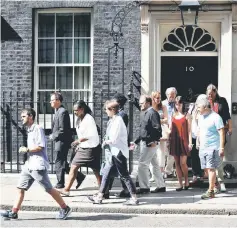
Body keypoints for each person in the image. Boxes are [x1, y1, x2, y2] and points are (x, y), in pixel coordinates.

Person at [1, 108, 71, 220]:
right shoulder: (29, 130)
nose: (21, 118)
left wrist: (27, 149)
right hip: (29, 165)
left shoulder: (37, 128)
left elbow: (40, 146)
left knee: (48, 189)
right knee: (20, 188)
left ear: (30, 117)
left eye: (23, 116)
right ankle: (14, 212)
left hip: (38, 165)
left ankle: (65, 208)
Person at [88, 100, 138, 205]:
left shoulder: (118, 121)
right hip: (114, 152)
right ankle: (100, 196)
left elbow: (114, 139)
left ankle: (134, 198)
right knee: (106, 173)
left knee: (124, 175)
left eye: (106, 109)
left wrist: (106, 141)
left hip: (118, 152)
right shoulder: (114, 120)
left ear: (112, 110)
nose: (105, 111)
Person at [59, 100, 102, 196]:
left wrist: (78, 141)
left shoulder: (89, 119)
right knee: (74, 167)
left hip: (91, 148)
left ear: (82, 109)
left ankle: (103, 190)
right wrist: (79, 145)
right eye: (73, 111)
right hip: (84, 148)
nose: (74, 112)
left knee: (95, 170)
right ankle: (66, 189)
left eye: (76, 110)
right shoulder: (79, 119)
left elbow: (90, 134)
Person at [50, 92, 86, 189]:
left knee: (59, 162)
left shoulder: (62, 112)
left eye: (52, 100)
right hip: (60, 141)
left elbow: (62, 129)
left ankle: (60, 183)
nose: (50, 102)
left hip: (62, 142)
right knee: (63, 163)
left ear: (58, 101)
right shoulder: (58, 111)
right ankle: (79, 176)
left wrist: (53, 136)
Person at [133, 95, 165, 194]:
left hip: (150, 143)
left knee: (142, 164)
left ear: (147, 103)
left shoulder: (152, 113)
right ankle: (161, 186)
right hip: (147, 142)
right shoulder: (147, 113)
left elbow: (157, 129)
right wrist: (136, 141)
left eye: (141, 103)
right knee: (154, 165)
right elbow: (144, 131)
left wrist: (153, 141)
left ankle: (144, 187)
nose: (140, 105)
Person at [196, 95, 225, 199]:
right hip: (203, 147)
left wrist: (221, 148)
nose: (197, 109)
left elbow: (222, 132)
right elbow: (200, 130)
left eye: (199, 107)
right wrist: (198, 142)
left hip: (212, 147)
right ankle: (216, 185)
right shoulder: (200, 117)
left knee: (211, 168)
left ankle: (211, 191)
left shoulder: (216, 117)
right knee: (206, 170)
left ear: (205, 106)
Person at [206, 84, 232, 193]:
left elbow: (227, 115)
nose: (210, 96)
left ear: (215, 92)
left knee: (219, 158)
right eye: (208, 94)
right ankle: (216, 183)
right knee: (211, 161)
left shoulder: (222, 101)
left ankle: (220, 182)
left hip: (220, 132)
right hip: (209, 134)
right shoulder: (205, 102)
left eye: (212, 94)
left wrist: (230, 128)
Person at [104, 93, 130, 199]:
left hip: (116, 147)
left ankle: (103, 193)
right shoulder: (119, 115)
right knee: (112, 170)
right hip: (114, 146)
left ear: (117, 103)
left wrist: (108, 141)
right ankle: (104, 192)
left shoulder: (121, 116)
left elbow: (117, 133)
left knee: (113, 171)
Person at [169, 96, 192, 191]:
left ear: (183, 104)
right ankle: (180, 184)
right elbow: (170, 129)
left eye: (180, 104)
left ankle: (186, 180)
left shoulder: (187, 115)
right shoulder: (173, 115)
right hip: (174, 141)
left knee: (183, 163)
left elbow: (190, 131)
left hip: (184, 140)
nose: (178, 106)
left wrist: (190, 143)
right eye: (176, 104)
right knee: (177, 163)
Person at [150, 91, 169, 180]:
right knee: (152, 152)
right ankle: (153, 174)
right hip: (152, 131)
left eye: (159, 98)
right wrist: (159, 120)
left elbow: (166, 119)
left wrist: (156, 121)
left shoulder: (163, 107)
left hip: (161, 131)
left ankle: (161, 172)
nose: (158, 100)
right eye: (157, 98)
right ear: (153, 98)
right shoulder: (150, 108)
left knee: (161, 152)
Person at [162, 87, 177, 178]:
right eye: (169, 95)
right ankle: (162, 170)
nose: (171, 96)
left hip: (175, 130)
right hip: (165, 128)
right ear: (166, 95)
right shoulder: (162, 104)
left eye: (173, 95)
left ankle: (168, 170)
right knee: (164, 150)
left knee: (173, 151)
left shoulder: (178, 104)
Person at [189, 103, 203, 184]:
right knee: (194, 156)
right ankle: (195, 174)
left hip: (201, 137)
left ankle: (201, 173)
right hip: (194, 137)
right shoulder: (191, 114)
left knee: (200, 155)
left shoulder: (201, 114)